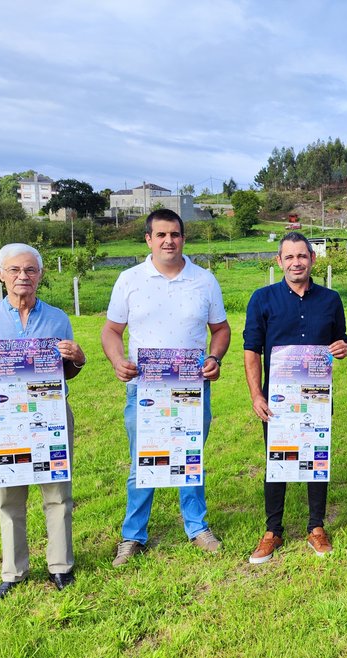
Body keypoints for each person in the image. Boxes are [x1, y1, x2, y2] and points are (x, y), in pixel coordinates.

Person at [0, 243, 86, 601]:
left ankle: (61, 566)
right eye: (14, 270)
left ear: (40, 275)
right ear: (0, 274)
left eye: (29, 270)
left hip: (51, 414)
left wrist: (78, 358)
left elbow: (68, 372)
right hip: (3, 417)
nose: (22, 277)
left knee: (57, 492)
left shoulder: (58, 317)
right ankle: (14, 571)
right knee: (8, 496)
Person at [101, 208, 230, 567]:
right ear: (148, 239)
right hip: (145, 388)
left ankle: (197, 527)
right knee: (142, 459)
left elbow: (220, 330)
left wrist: (215, 359)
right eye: (161, 235)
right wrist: (116, 362)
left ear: (183, 238)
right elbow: (112, 330)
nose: (168, 241)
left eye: (174, 234)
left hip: (191, 386)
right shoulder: (129, 280)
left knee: (190, 455)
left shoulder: (204, 280)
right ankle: (133, 535)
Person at [243, 232, 347, 563]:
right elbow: (251, 350)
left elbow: (340, 339)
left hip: (316, 396)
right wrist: (256, 394)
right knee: (278, 461)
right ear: (279, 261)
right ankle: (273, 530)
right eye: (288, 257)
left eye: (302, 256)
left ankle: (316, 527)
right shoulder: (262, 299)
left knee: (317, 457)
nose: (296, 262)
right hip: (277, 401)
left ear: (312, 259)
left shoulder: (331, 300)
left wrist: (342, 346)